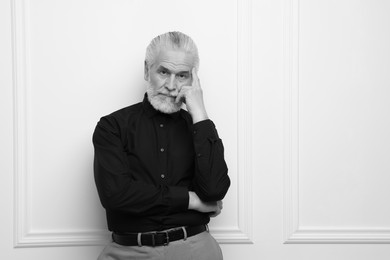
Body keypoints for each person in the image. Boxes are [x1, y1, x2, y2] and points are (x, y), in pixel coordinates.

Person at [93, 31, 230, 260]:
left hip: (196, 249)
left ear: (193, 80)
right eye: (164, 72)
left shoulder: (200, 127)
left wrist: (199, 111)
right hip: (128, 252)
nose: (171, 85)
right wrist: (191, 200)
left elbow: (215, 190)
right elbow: (116, 195)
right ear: (147, 70)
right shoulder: (112, 127)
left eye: (183, 75)